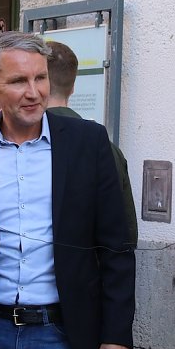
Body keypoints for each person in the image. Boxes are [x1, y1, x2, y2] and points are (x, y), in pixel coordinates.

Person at [0, 32, 136, 349]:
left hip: (63, 337)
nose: (34, 92)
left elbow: (116, 246)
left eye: (41, 78)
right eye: (19, 81)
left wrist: (117, 334)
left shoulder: (88, 143)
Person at [46, 40, 139, 245]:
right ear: (73, 88)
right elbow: (127, 233)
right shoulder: (107, 148)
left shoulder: (24, 143)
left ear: (39, 84)